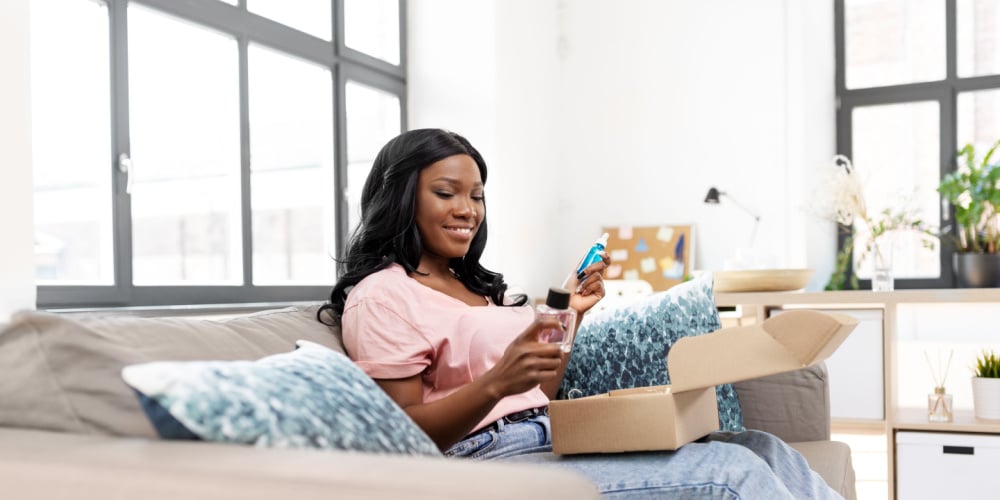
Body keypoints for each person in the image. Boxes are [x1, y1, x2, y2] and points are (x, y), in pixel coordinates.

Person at [318, 128, 841, 499]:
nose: (468, 210)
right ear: (400, 198)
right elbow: (403, 439)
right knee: (728, 473)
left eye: (476, 195)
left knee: (762, 448)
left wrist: (570, 314)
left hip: (555, 434)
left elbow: (540, 392)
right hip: (485, 466)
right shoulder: (381, 296)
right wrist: (497, 382)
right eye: (446, 193)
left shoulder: (475, 286)